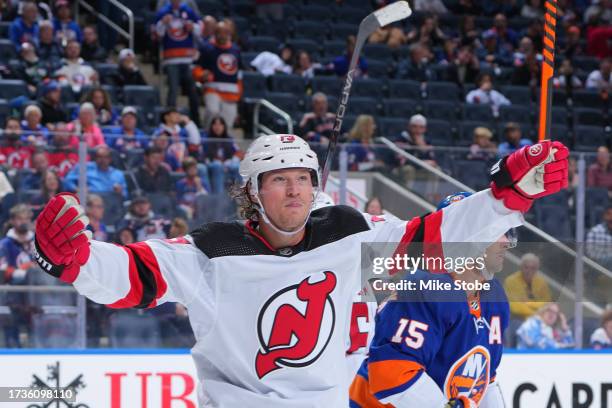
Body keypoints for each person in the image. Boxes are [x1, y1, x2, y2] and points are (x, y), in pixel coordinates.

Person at [32, 135, 569, 406]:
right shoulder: (212, 254)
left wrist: (506, 196)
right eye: (278, 179)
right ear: (251, 192)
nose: (293, 190)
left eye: (302, 178)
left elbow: (438, 238)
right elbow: (133, 274)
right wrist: (75, 259)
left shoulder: (352, 237)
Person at [350, 192, 516, 407]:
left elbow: (485, 380)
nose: (504, 241)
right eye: (495, 231)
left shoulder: (494, 297)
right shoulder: (423, 289)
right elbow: (391, 374)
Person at [155, 0, 201, 125]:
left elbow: (200, 30)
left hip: (187, 59)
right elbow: (157, 34)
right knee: (173, 91)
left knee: (192, 91)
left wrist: (193, 27)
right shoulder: (163, 12)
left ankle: (196, 120)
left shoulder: (188, 11)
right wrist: (163, 23)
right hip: (171, 59)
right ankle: (169, 121)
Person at [194, 20, 242, 128]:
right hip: (212, 88)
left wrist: (239, 91)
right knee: (212, 111)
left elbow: (239, 73)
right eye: (219, 32)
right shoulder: (205, 48)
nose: (222, 35)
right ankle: (207, 136)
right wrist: (201, 75)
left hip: (231, 91)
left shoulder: (236, 50)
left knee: (228, 120)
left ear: (230, 34)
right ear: (214, 33)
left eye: (225, 32)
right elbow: (196, 68)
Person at [0, 204, 35, 347]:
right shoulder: (5, 244)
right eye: (20, 219)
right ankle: (12, 349)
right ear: (13, 221)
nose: (24, 222)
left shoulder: (36, 243)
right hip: (13, 295)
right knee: (12, 327)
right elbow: (2, 269)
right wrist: (23, 269)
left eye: (26, 218)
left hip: (34, 296)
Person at [63, 145, 128, 198]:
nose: (103, 160)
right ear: (95, 158)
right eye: (99, 157)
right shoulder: (84, 167)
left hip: (110, 203)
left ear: (110, 159)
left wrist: (120, 191)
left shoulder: (118, 174)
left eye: (106, 157)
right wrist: (77, 189)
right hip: (90, 200)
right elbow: (67, 181)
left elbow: (125, 195)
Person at [504, 253, 552, 320]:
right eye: (526, 267)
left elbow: (546, 304)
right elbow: (514, 306)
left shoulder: (542, 283)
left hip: (537, 318)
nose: (529, 271)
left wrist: (528, 303)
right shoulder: (511, 281)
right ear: (520, 267)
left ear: (537, 270)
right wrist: (534, 313)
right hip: (515, 317)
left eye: (533, 268)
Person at [201, 115, 240, 194]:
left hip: (227, 164)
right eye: (215, 124)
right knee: (217, 165)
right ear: (211, 126)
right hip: (212, 164)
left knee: (236, 166)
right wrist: (221, 165)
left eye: (220, 124)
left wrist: (228, 163)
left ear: (224, 126)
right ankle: (219, 196)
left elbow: (237, 153)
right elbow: (204, 156)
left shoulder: (229, 139)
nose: (217, 127)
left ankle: (239, 195)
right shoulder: (206, 139)